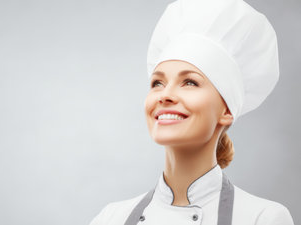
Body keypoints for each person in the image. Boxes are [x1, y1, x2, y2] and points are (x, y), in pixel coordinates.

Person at [89, 0, 295, 224]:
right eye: (157, 83)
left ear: (226, 110)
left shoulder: (262, 218)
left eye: (189, 82)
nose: (165, 94)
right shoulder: (111, 218)